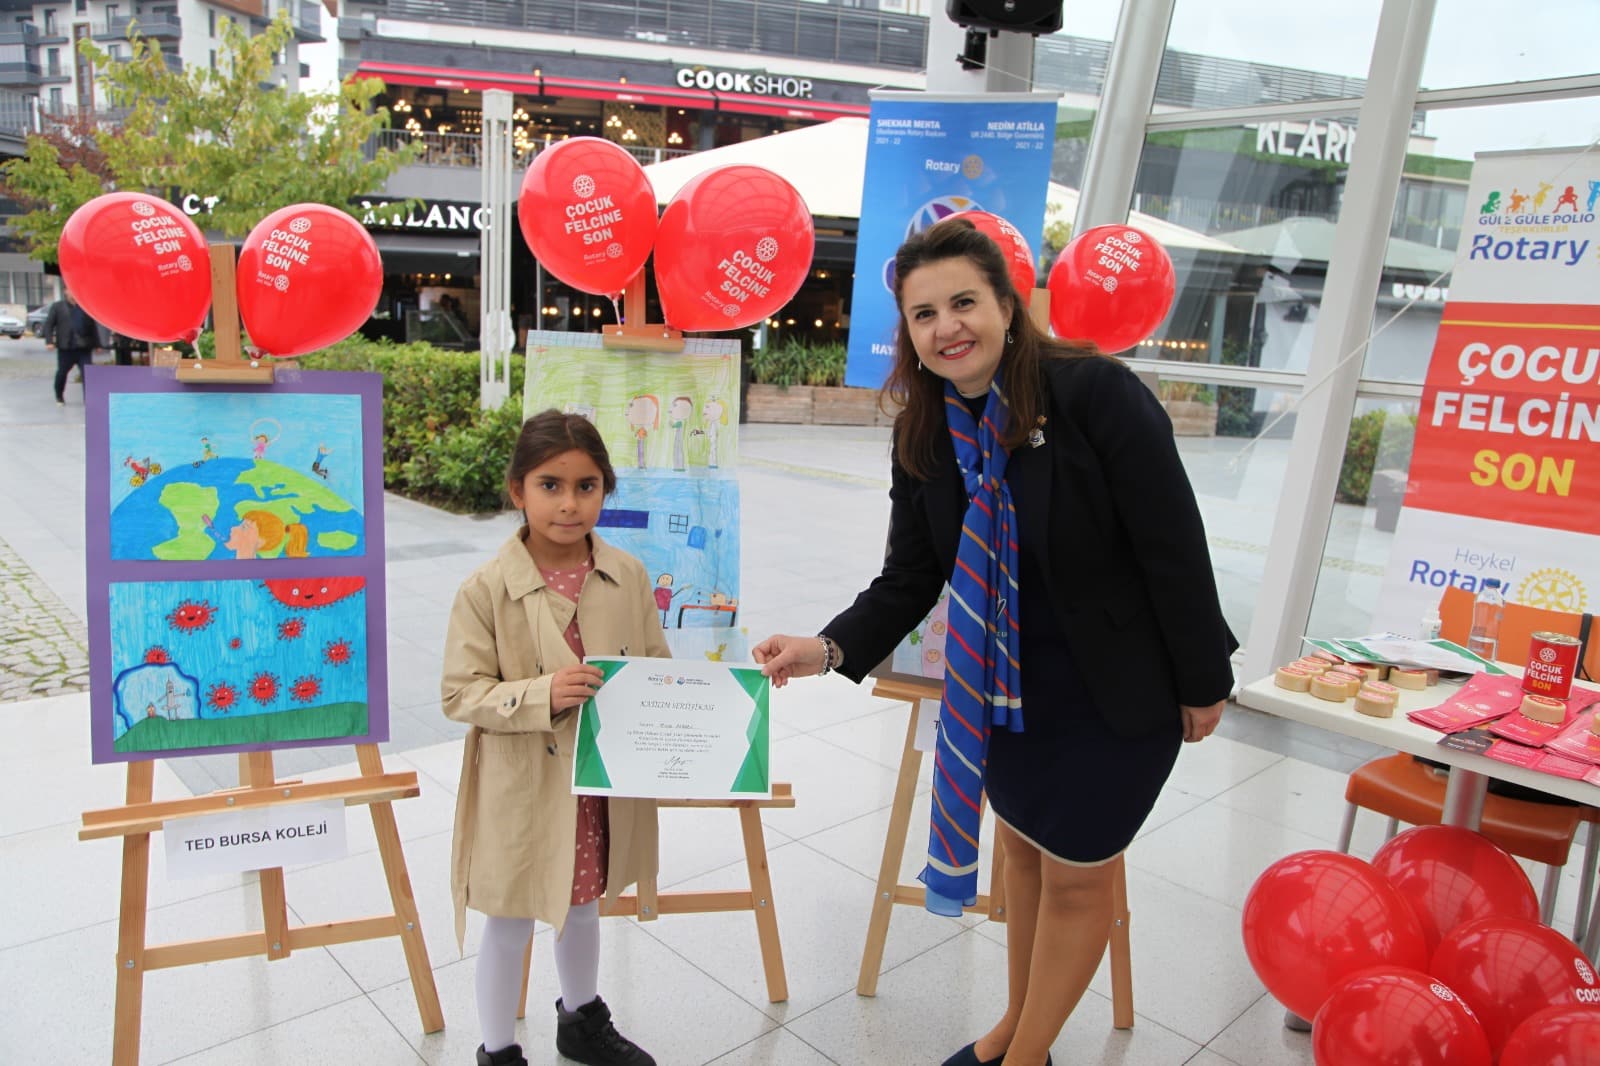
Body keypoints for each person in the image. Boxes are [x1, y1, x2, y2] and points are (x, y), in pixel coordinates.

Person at [753, 217, 1236, 1066]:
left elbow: (1173, 548)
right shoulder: (924, 431)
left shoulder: (1095, 395)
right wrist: (825, 648)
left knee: (1078, 876)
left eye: (965, 302)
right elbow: (911, 576)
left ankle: (1021, 1058)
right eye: (924, 314)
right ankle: (1017, 1033)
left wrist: (1204, 681)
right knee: (1025, 860)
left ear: (1007, 307)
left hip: (1114, 692)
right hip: (1003, 698)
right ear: (908, 332)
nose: (948, 327)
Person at [442, 409, 668, 1066]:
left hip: (596, 780)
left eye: (586, 486)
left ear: (605, 489)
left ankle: (581, 1020)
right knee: (511, 915)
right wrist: (541, 694)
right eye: (550, 485)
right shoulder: (485, 589)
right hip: (523, 783)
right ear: (518, 489)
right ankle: (498, 1049)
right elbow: (460, 693)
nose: (569, 504)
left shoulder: (628, 574)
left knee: (584, 904)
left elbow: (654, 664)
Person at [43, 289, 102, 405]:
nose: (73, 293)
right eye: (71, 290)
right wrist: (49, 341)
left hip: (83, 348)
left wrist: (97, 344)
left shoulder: (84, 306)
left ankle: (88, 399)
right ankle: (59, 396)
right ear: (66, 292)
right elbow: (49, 324)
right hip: (66, 348)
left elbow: (92, 326)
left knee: (87, 374)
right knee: (62, 372)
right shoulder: (58, 307)